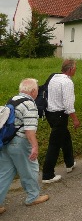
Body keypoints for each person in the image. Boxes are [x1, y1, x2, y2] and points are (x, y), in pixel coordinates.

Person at [0, 79, 49, 212]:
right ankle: (33, 197)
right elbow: (29, 130)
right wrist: (34, 146)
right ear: (33, 91)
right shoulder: (29, 104)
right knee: (30, 169)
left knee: (4, 173)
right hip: (20, 142)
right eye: (37, 90)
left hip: (6, 141)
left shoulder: (12, 100)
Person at [42, 59, 80, 183]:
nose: (75, 70)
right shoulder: (67, 82)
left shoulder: (53, 77)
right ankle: (47, 175)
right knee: (54, 144)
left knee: (65, 137)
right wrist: (75, 119)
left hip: (50, 114)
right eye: (75, 68)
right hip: (59, 115)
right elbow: (68, 104)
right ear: (70, 69)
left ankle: (69, 163)